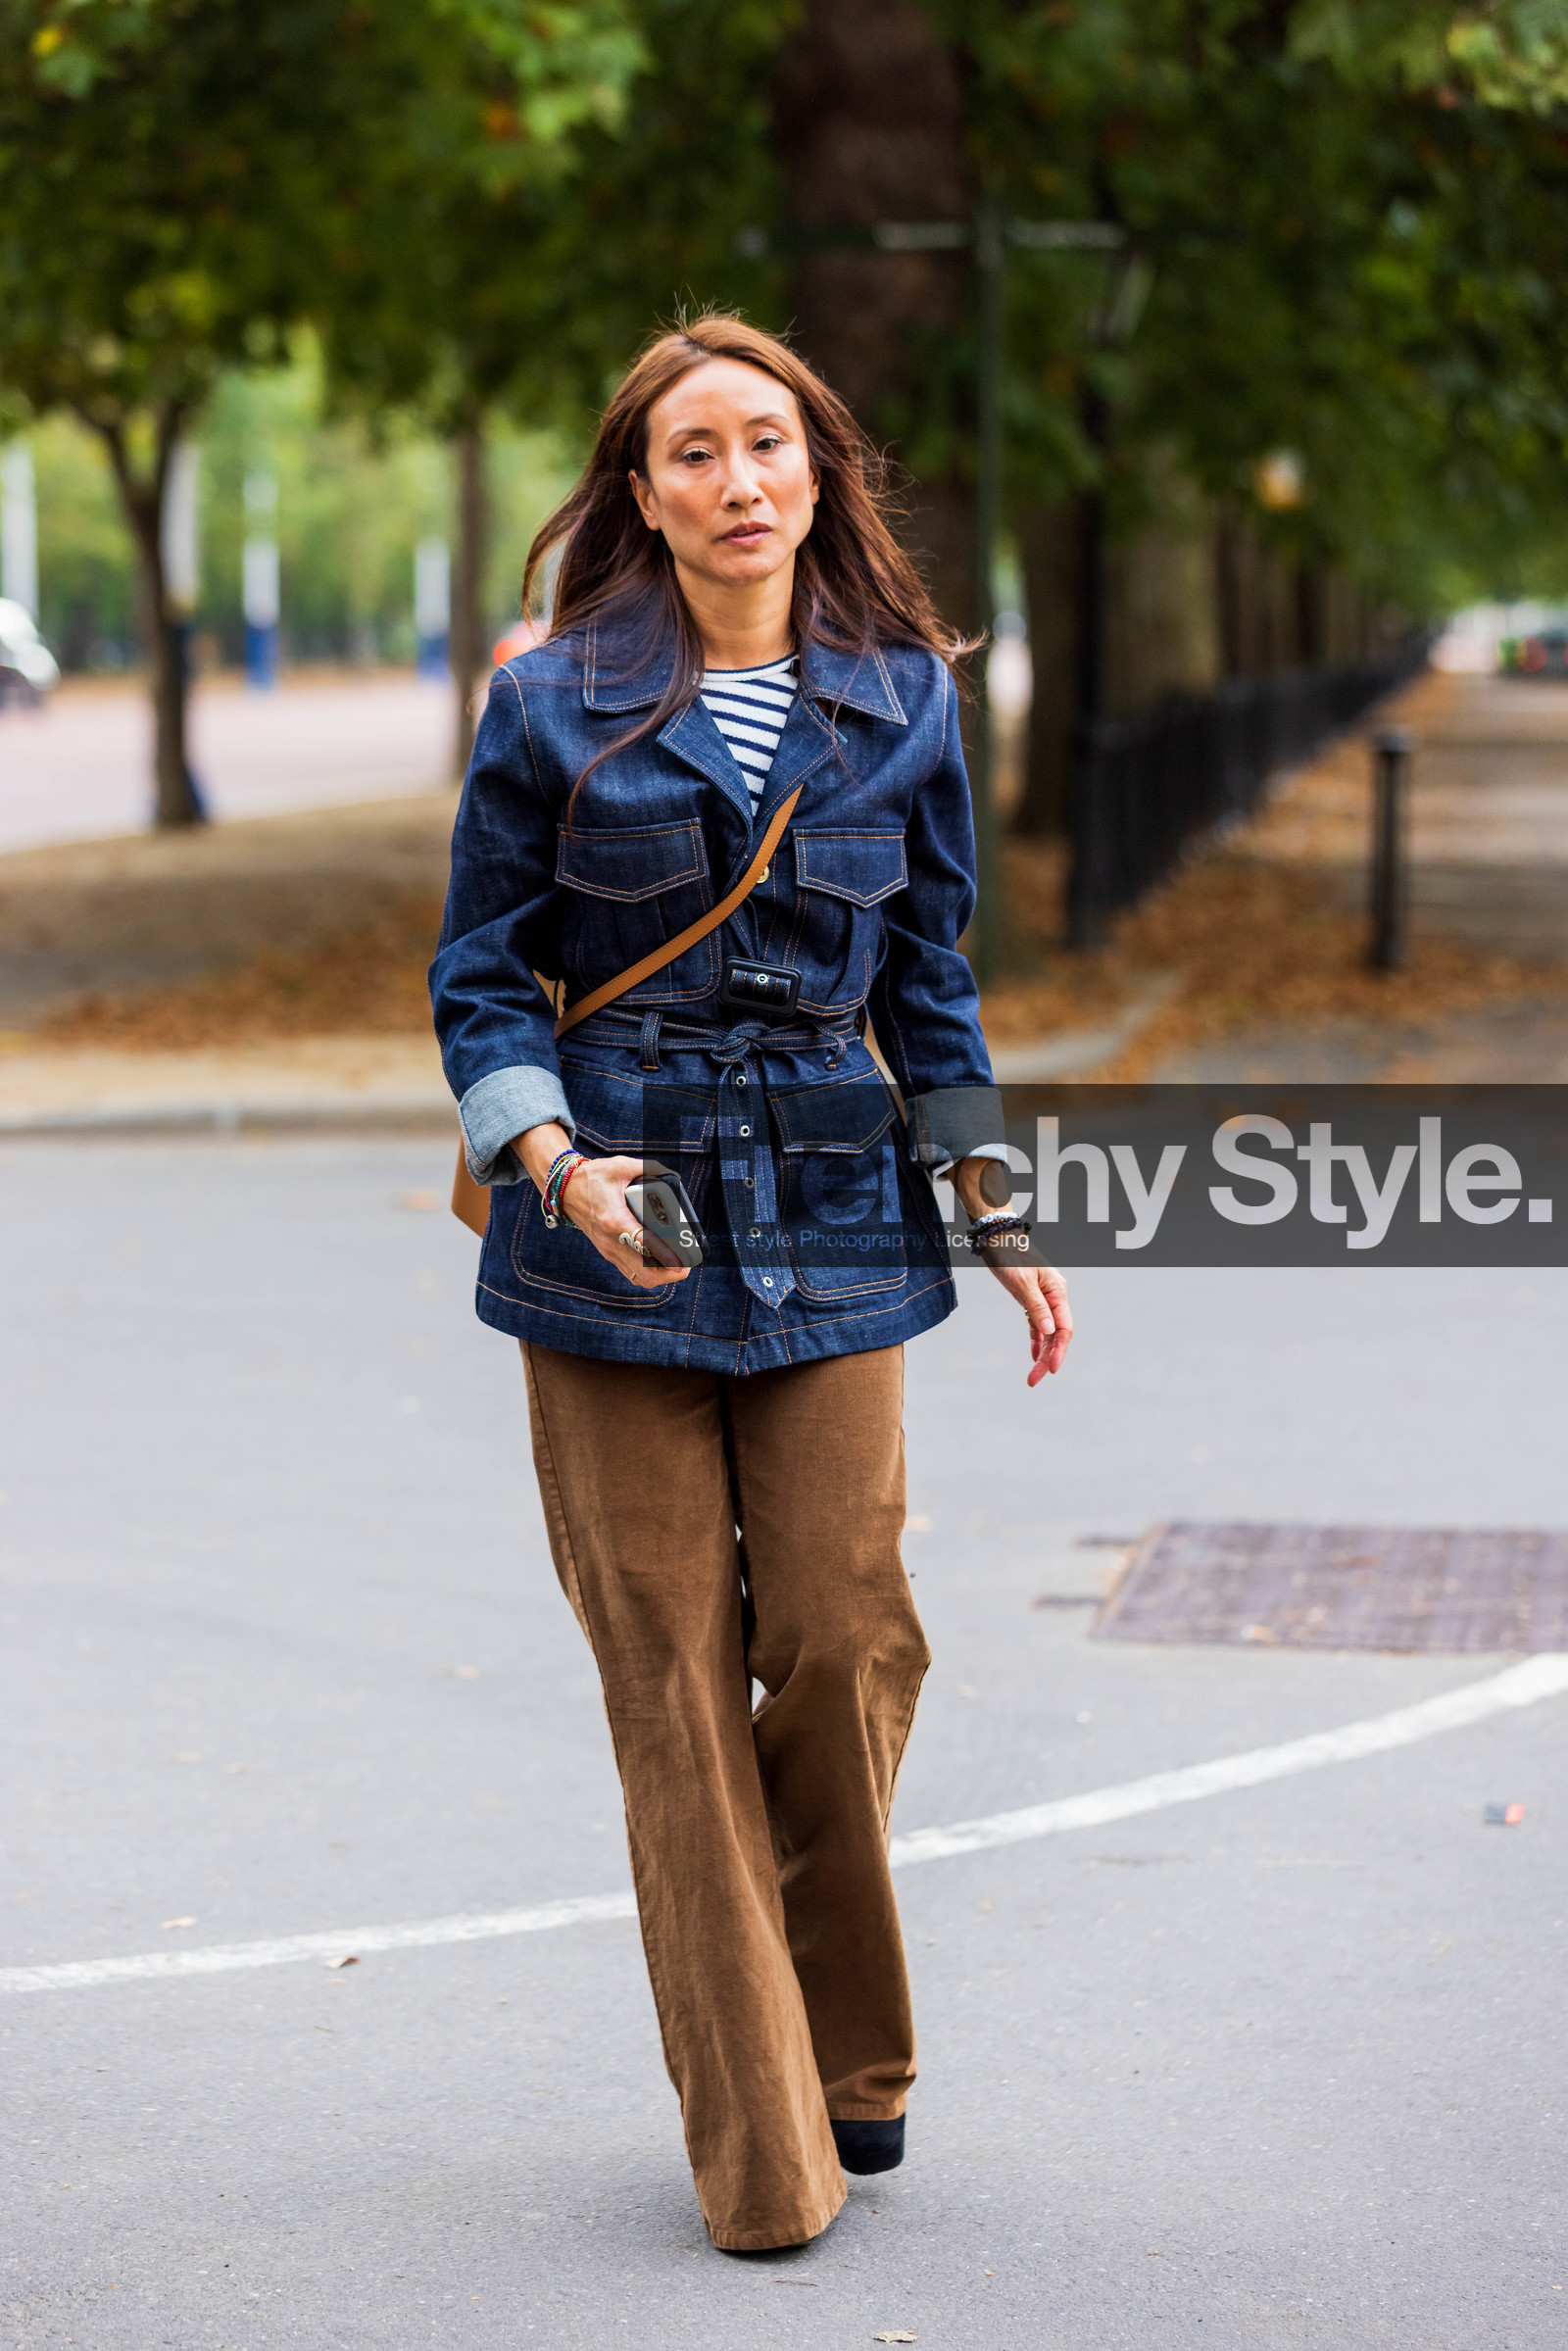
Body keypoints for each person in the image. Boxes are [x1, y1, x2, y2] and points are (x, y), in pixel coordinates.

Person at [430, 313, 1072, 2254]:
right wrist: (551, 1158)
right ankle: (768, 2153)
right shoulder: (548, 702)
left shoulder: (899, 700)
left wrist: (991, 1193)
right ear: (640, 492)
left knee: (845, 1627)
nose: (736, 480)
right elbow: (479, 978)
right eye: (692, 450)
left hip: (833, 1202)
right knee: (668, 1688)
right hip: (606, 1220)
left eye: (767, 446)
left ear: (816, 478)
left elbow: (929, 975)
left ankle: (854, 2046)